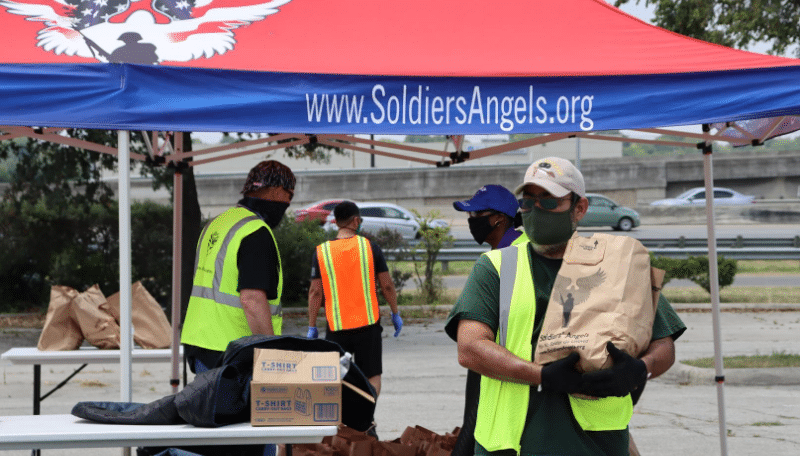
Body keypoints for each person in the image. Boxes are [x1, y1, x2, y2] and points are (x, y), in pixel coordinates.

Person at [445, 157, 686, 456]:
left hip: (596, 444)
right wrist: (542, 376)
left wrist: (641, 369)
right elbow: (470, 348)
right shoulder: (496, 267)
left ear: (579, 208)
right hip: (511, 444)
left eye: (549, 202)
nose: (536, 211)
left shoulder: (616, 266)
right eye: (528, 202)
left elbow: (663, 343)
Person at [182, 160, 295, 374]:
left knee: (209, 408)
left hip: (200, 343)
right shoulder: (255, 232)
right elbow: (252, 299)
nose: (289, 202)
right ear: (274, 191)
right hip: (231, 351)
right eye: (289, 194)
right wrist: (271, 357)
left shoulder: (218, 223)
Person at [450, 184, 528, 456]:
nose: (471, 222)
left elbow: (469, 349)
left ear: (499, 219)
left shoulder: (504, 259)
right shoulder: (515, 250)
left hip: (504, 380)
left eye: (476, 215)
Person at [306, 201, 403, 399]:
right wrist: (395, 312)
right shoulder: (370, 248)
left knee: (338, 378)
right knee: (372, 375)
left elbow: (315, 292)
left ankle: (345, 424)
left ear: (336, 222)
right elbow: (387, 286)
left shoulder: (321, 252)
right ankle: (367, 421)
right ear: (356, 221)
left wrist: (312, 325)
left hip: (337, 328)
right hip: (368, 325)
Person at [453, 184, 528, 249]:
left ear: (499, 218)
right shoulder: (510, 245)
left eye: (475, 213)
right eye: (469, 213)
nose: (471, 218)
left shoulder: (511, 251)